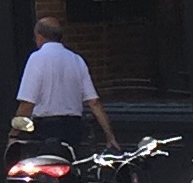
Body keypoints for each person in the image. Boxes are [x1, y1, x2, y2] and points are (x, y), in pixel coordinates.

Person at [13, 15, 119, 155]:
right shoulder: (76, 59)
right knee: (71, 168)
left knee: (45, 170)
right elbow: (94, 102)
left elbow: (27, 104)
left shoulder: (36, 59)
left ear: (39, 36)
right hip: (73, 128)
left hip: (45, 129)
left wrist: (14, 134)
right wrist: (109, 135)